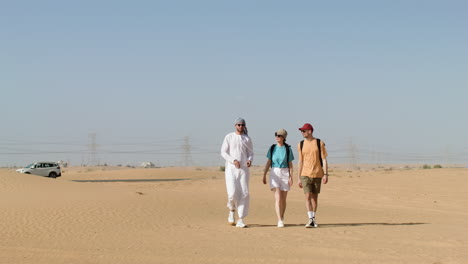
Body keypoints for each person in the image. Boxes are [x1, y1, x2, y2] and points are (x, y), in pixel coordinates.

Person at [220, 118, 254, 228]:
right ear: (235, 125)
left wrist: (249, 160)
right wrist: (233, 161)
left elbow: (251, 153)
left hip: (244, 169)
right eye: (238, 124)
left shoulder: (247, 139)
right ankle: (231, 210)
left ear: (244, 126)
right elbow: (223, 152)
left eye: (242, 125)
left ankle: (241, 218)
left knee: (244, 192)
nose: (240, 126)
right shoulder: (229, 137)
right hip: (231, 169)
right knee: (232, 193)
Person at [297, 123, 329, 228]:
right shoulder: (300, 144)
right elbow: (300, 161)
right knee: (307, 195)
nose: (302, 133)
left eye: (304, 131)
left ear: (310, 131)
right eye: (301, 131)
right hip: (305, 174)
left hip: (317, 173)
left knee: (314, 197)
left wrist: (325, 174)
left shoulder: (319, 143)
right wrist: (298, 177)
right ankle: (310, 219)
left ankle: (313, 219)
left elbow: (324, 159)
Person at [262, 129, 294, 228]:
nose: (277, 137)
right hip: (274, 172)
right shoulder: (272, 148)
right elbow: (268, 162)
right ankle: (279, 219)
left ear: (284, 137)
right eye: (276, 135)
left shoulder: (288, 149)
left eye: (279, 135)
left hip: (285, 172)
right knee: (278, 197)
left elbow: (290, 165)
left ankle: (282, 216)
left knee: (283, 199)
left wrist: (291, 177)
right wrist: (264, 174)